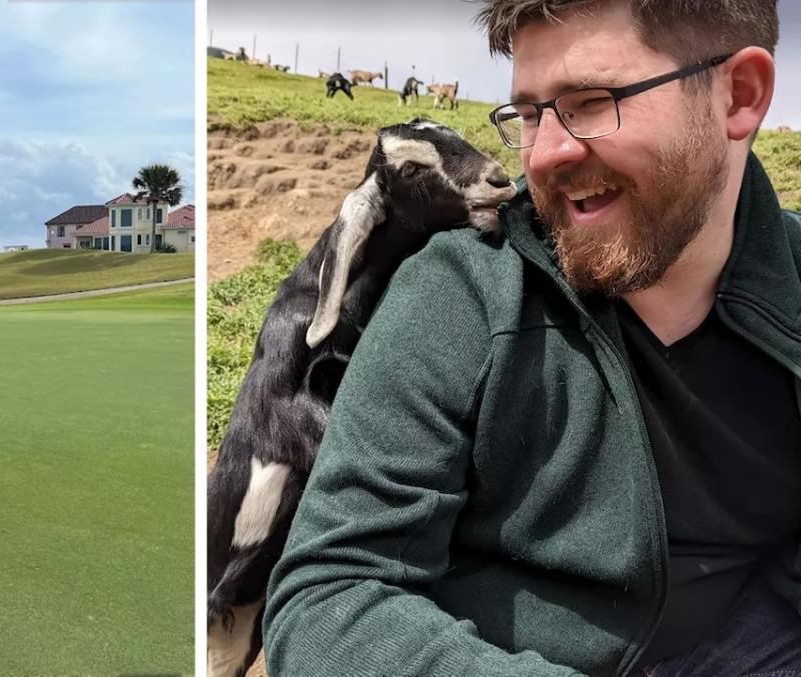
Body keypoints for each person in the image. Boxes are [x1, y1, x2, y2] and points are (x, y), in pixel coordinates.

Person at [264, 1, 801, 675]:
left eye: (591, 101)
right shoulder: (459, 293)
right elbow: (327, 598)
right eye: (527, 114)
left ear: (740, 96)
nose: (543, 155)